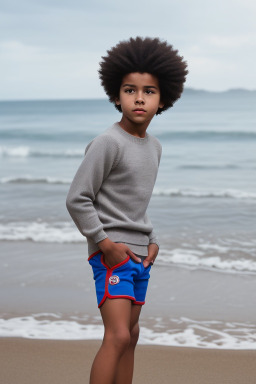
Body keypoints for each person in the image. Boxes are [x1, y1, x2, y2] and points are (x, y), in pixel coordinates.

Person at [66, 36, 188, 384]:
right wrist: (104, 244)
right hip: (112, 254)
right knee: (117, 336)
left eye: (149, 91)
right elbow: (77, 198)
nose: (139, 98)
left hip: (138, 254)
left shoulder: (155, 147)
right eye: (129, 90)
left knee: (132, 336)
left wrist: (152, 239)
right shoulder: (107, 143)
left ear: (163, 99)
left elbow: (136, 204)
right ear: (115, 95)